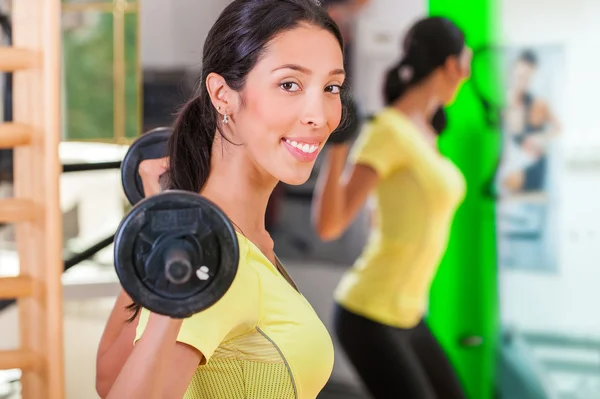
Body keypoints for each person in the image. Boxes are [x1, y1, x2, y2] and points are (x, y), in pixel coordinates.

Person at [95, 1, 349, 398]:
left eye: (331, 87)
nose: (319, 115)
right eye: (289, 84)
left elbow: (108, 374)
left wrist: (158, 222)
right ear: (223, 95)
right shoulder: (219, 263)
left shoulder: (238, 242)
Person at [312, 16, 472, 398]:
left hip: (408, 313)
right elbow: (330, 224)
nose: (467, 75)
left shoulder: (427, 130)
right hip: (370, 312)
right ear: (451, 65)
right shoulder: (389, 129)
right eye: (466, 64)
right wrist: (337, 147)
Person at [498, 50, 561, 195]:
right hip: (512, 163)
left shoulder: (538, 104)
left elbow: (558, 128)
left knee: (507, 182)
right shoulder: (506, 104)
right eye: (519, 76)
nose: (522, 81)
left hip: (532, 167)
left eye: (527, 78)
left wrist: (539, 139)